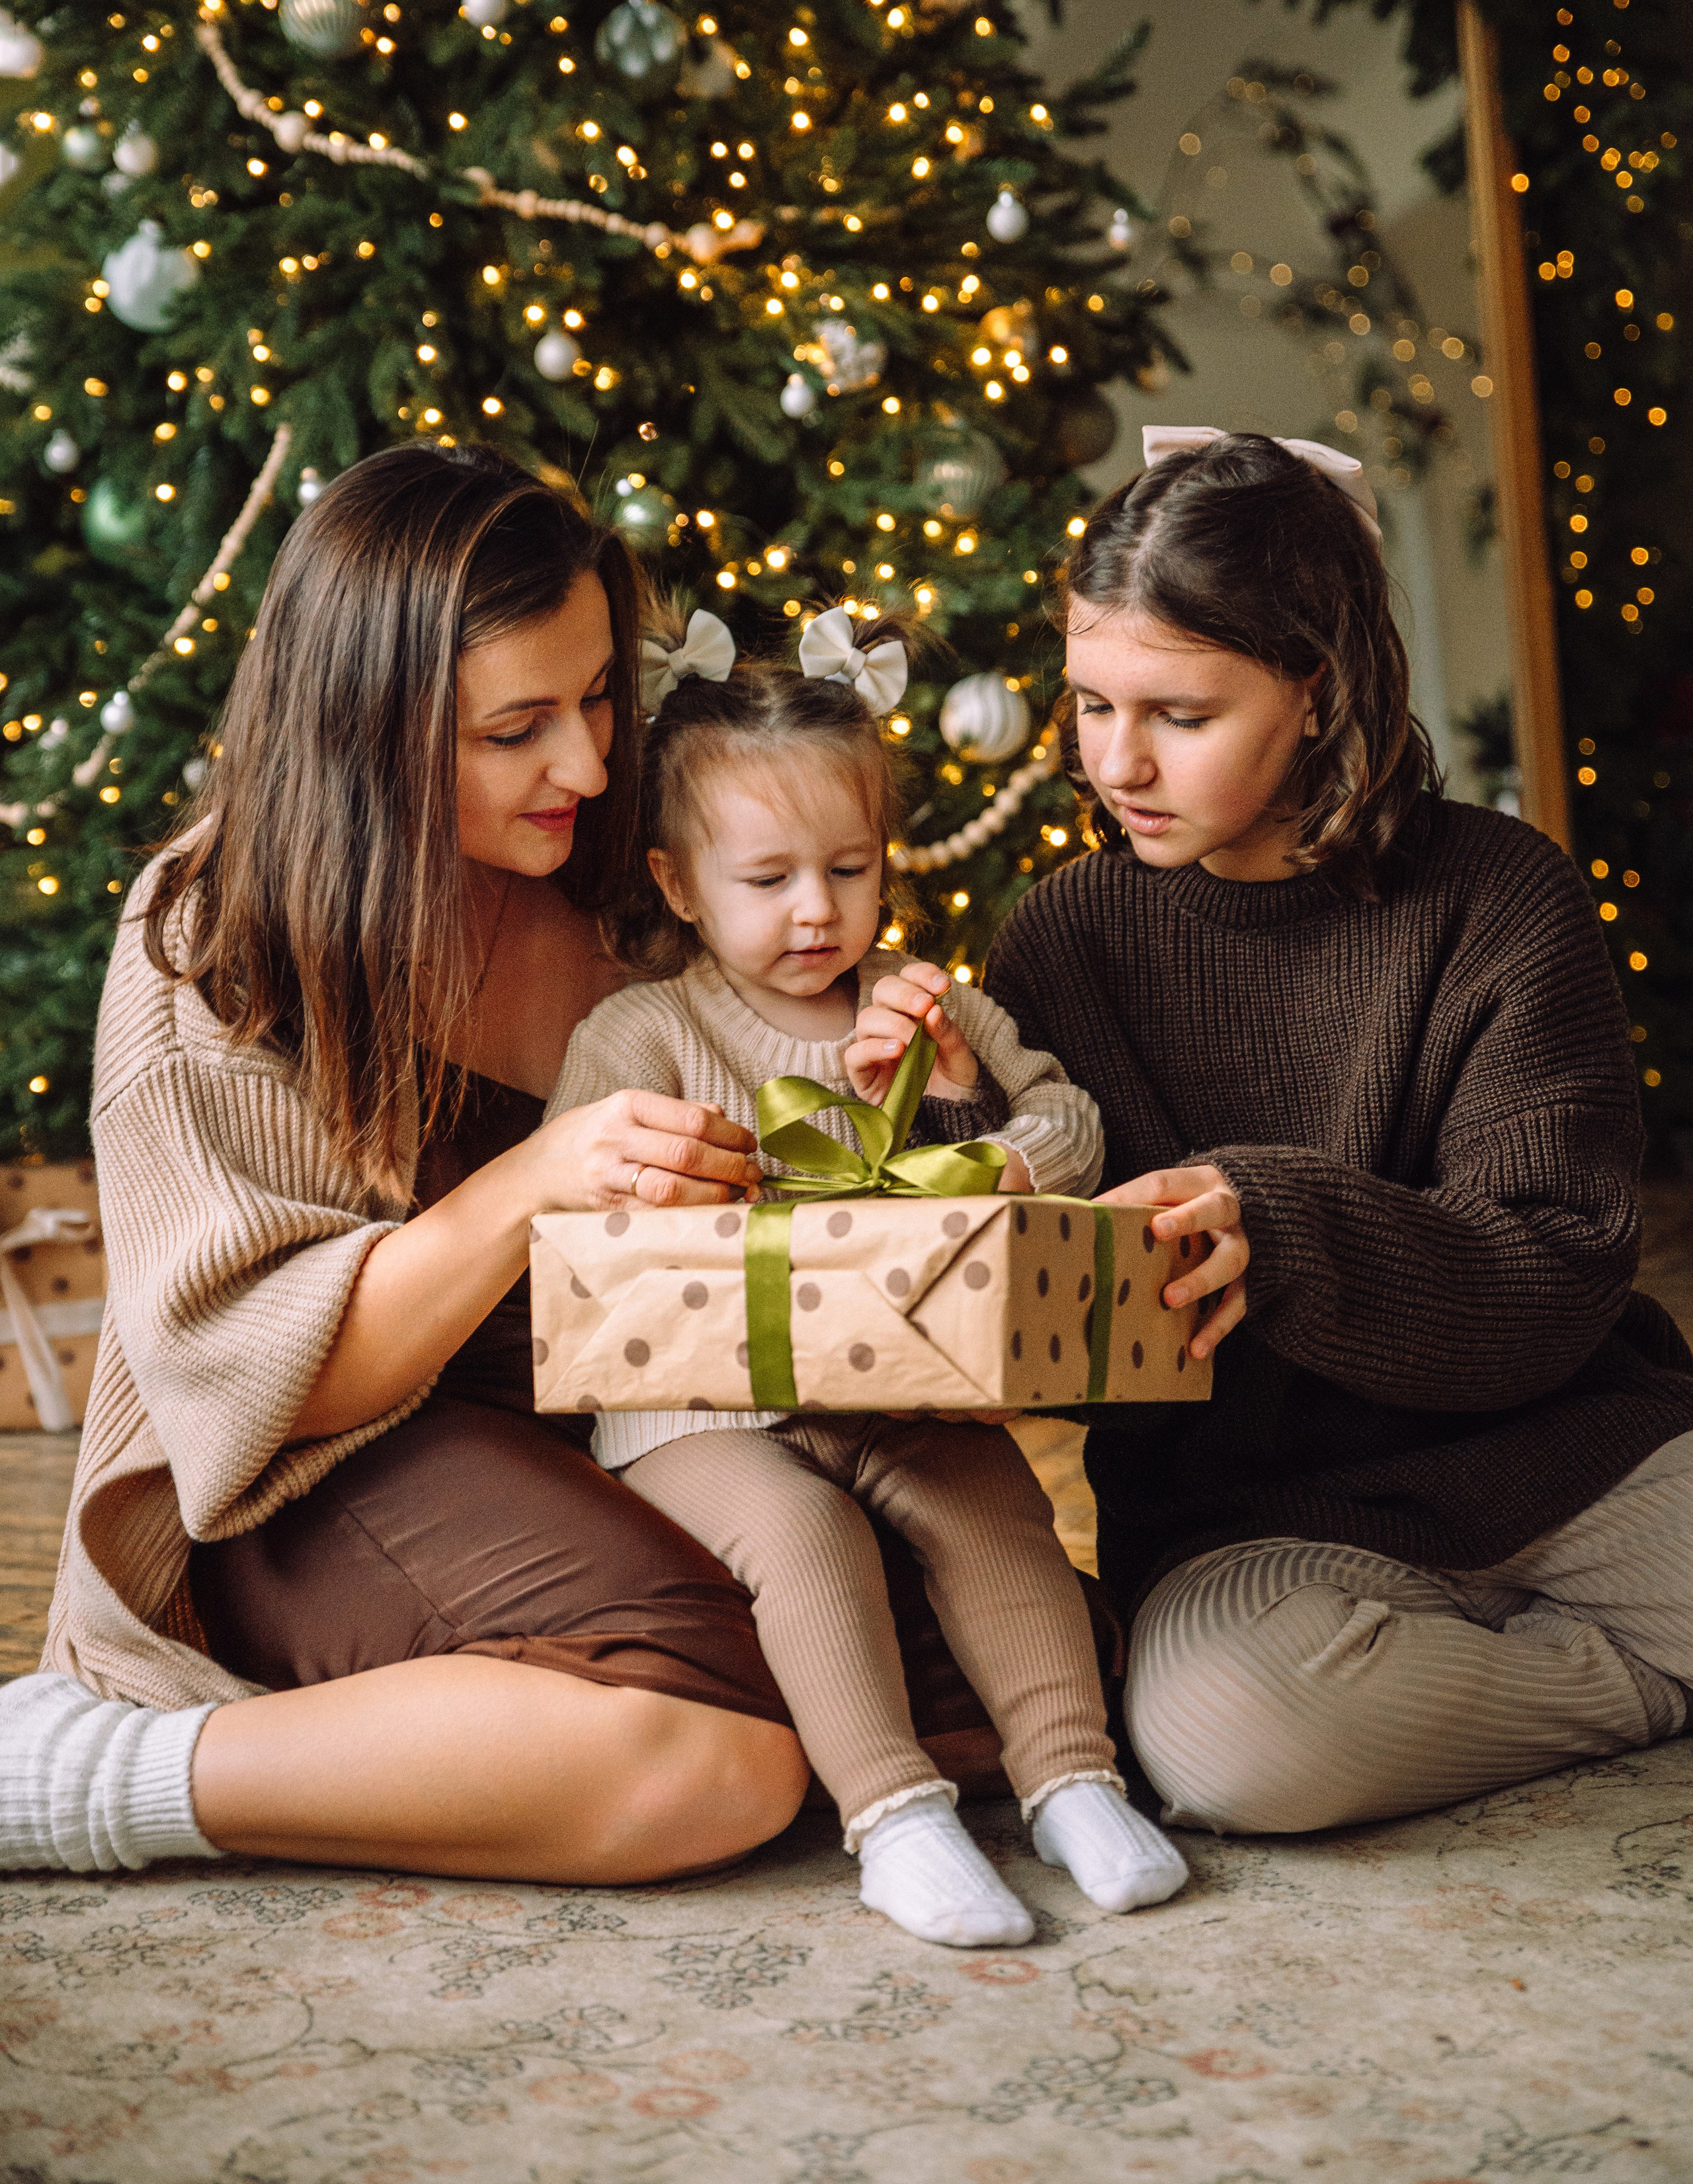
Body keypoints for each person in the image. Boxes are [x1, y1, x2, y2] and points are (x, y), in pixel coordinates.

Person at [1, 443, 820, 1882]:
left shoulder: (636, 882)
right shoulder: (218, 936)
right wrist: (533, 1179)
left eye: (598, 697)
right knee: (725, 1749)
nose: (587, 764)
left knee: (954, 1660)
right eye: (516, 729)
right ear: (367, 728)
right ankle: (102, 1769)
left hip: (600, 1436)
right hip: (309, 1475)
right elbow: (260, 1388)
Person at [982, 425, 1693, 1838]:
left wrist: (1280, 1226)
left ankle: (1531, 1667)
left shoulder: (1501, 895)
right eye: (1090, 703)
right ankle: (1636, 1681)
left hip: (1563, 1458)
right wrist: (956, 1126)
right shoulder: (1060, 939)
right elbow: (1067, 1344)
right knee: (1226, 1742)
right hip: (1261, 1521)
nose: (1116, 761)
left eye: (1179, 715)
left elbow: (1560, 1275)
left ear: (1315, 688)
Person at [546, 604, 1189, 1946]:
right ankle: (895, 1818)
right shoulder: (641, 1031)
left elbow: (1070, 1126)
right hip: (696, 1410)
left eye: (848, 868)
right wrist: (664, 1181)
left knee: (992, 1500)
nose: (816, 909)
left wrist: (966, 1119)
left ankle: (1073, 1779)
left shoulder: (920, 1002)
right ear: (678, 883)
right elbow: (575, 1218)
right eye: (767, 877)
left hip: (898, 1388)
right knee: (802, 1531)